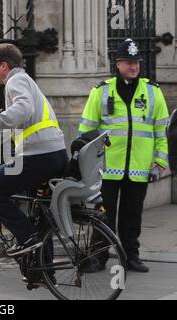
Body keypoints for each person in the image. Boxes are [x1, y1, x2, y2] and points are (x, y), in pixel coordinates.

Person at [0, 43, 68, 257]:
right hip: (54, 155)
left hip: (39, 156)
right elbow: (5, 129)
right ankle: (43, 270)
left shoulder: (16, 81)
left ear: (4, 65)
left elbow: (22, 110)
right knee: (39, 215)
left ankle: (26, 238)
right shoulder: (24, 82)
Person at [79, 39, 169, 273]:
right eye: (129, 62)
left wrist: (160, 162)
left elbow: (162, 131)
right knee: (102, 216)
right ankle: (98, 257)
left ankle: (132, 256)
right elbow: (86, 131)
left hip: (139, 168)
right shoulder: (101, 91)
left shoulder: (152, 92)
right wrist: (89, 162)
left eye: (136, 62)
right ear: (117, 64)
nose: (134, 67)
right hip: (106, 168)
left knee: (132, 216)